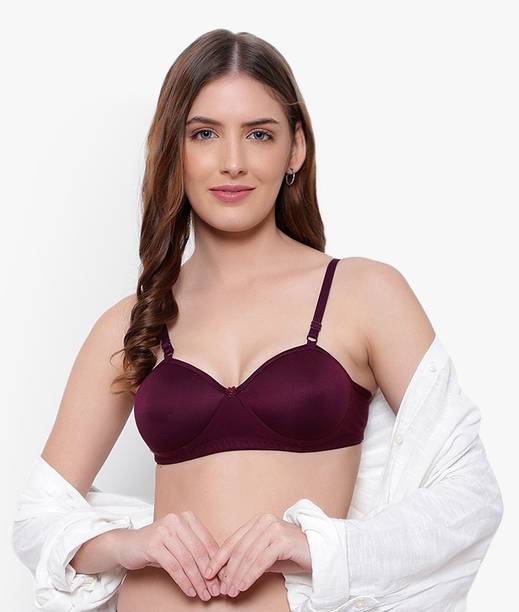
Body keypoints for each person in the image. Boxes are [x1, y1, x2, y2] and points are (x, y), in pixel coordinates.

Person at [12, 29, 503, 612]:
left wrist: (317, 548)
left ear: (295, 149)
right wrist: (126, 544)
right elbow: (36, 518)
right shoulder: (134, 322)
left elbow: (471, 497)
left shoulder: (365, 293)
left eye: (259, 134)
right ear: (174, 150)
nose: (233, 162)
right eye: (204, 134)